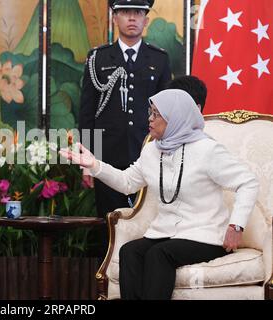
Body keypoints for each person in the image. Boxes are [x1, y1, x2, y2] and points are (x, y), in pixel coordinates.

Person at [61, 89, 259, 300]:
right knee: (129, 251)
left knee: (159, 254)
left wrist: (236, 225)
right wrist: (95, 165)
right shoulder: (151, 150)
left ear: (175, 118)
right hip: (164, 233)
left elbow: (248, 182)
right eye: (150, 112)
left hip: (205, 235)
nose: (150, 119)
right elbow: (128, 182)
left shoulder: (207, 150)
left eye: (156, 114)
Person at [79, 0, 172, 218]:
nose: (132, 18)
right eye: (125, 12)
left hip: (147, 152)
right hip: (106, 155)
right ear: (114, 18)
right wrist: (88, 161)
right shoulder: (97, 58)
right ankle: (110, 254)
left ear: (146, 20)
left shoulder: (159, 59)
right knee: (109, 220)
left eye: (138, 13)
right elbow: (87, 113)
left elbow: (167, 112)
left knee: (146, 218)